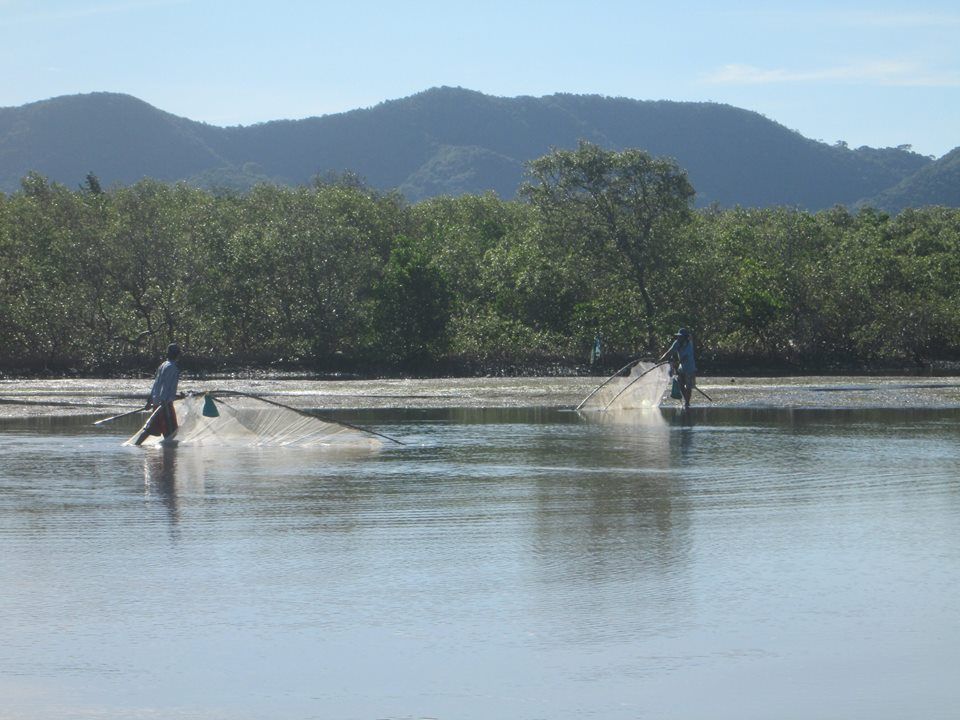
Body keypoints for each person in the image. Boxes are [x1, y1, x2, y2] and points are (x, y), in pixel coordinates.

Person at [134, 343, 182, 445]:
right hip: (164, 404)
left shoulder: (163, 365)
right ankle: (169, 457)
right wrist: (164, 402)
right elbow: (166, 388)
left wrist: (150, 401)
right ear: (178, 355)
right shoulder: (172, 368)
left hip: (158, 402)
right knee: (171, 432)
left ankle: (136, 445)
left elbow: (157, 385)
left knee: (151, 429)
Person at [660, 327, 697, 409]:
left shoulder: (689, 344)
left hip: (690, 368)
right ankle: (686, 401)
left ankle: (687, 402)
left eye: (681, 336)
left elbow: (685, 357)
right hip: (682, 368)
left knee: (688, 386)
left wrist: (677, 362)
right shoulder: (677, 343)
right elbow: (669, 352)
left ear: (685, 337)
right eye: (679, 336)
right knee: (680, 385)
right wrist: (661, 360)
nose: (679, 338)